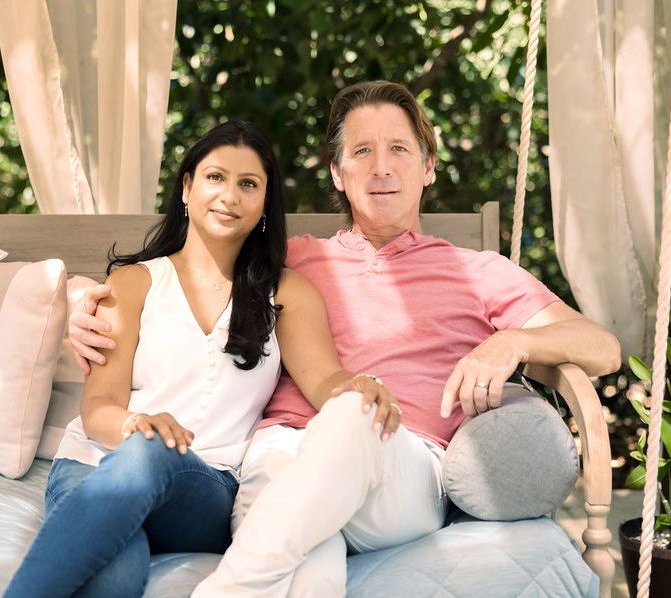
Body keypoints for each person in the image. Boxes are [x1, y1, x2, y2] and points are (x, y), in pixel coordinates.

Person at [71, 82, 622, 597]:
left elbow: (602, 348)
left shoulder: (477, 271)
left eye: (399, 149)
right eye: (361, 151)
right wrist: (81, 301)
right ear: (338, 173)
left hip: (400, 462)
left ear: (428, 166)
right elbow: (182, 272)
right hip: (280, 452)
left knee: (353, 409)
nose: (381, 168)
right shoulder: (288, 261)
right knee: (312, 565)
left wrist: (512, 343)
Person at [4, 121, 400, 598]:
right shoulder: (133, 283)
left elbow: (323, 378)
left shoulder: (286, 292)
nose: (230, 196)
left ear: (264, 204)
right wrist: (135, 424)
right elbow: (98, 407)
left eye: (248, 184)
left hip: (205, 490)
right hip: (98, 465)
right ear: (187, 187)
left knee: (153, 451)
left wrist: (358, 386)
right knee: (114, 575)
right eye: (215, 177)